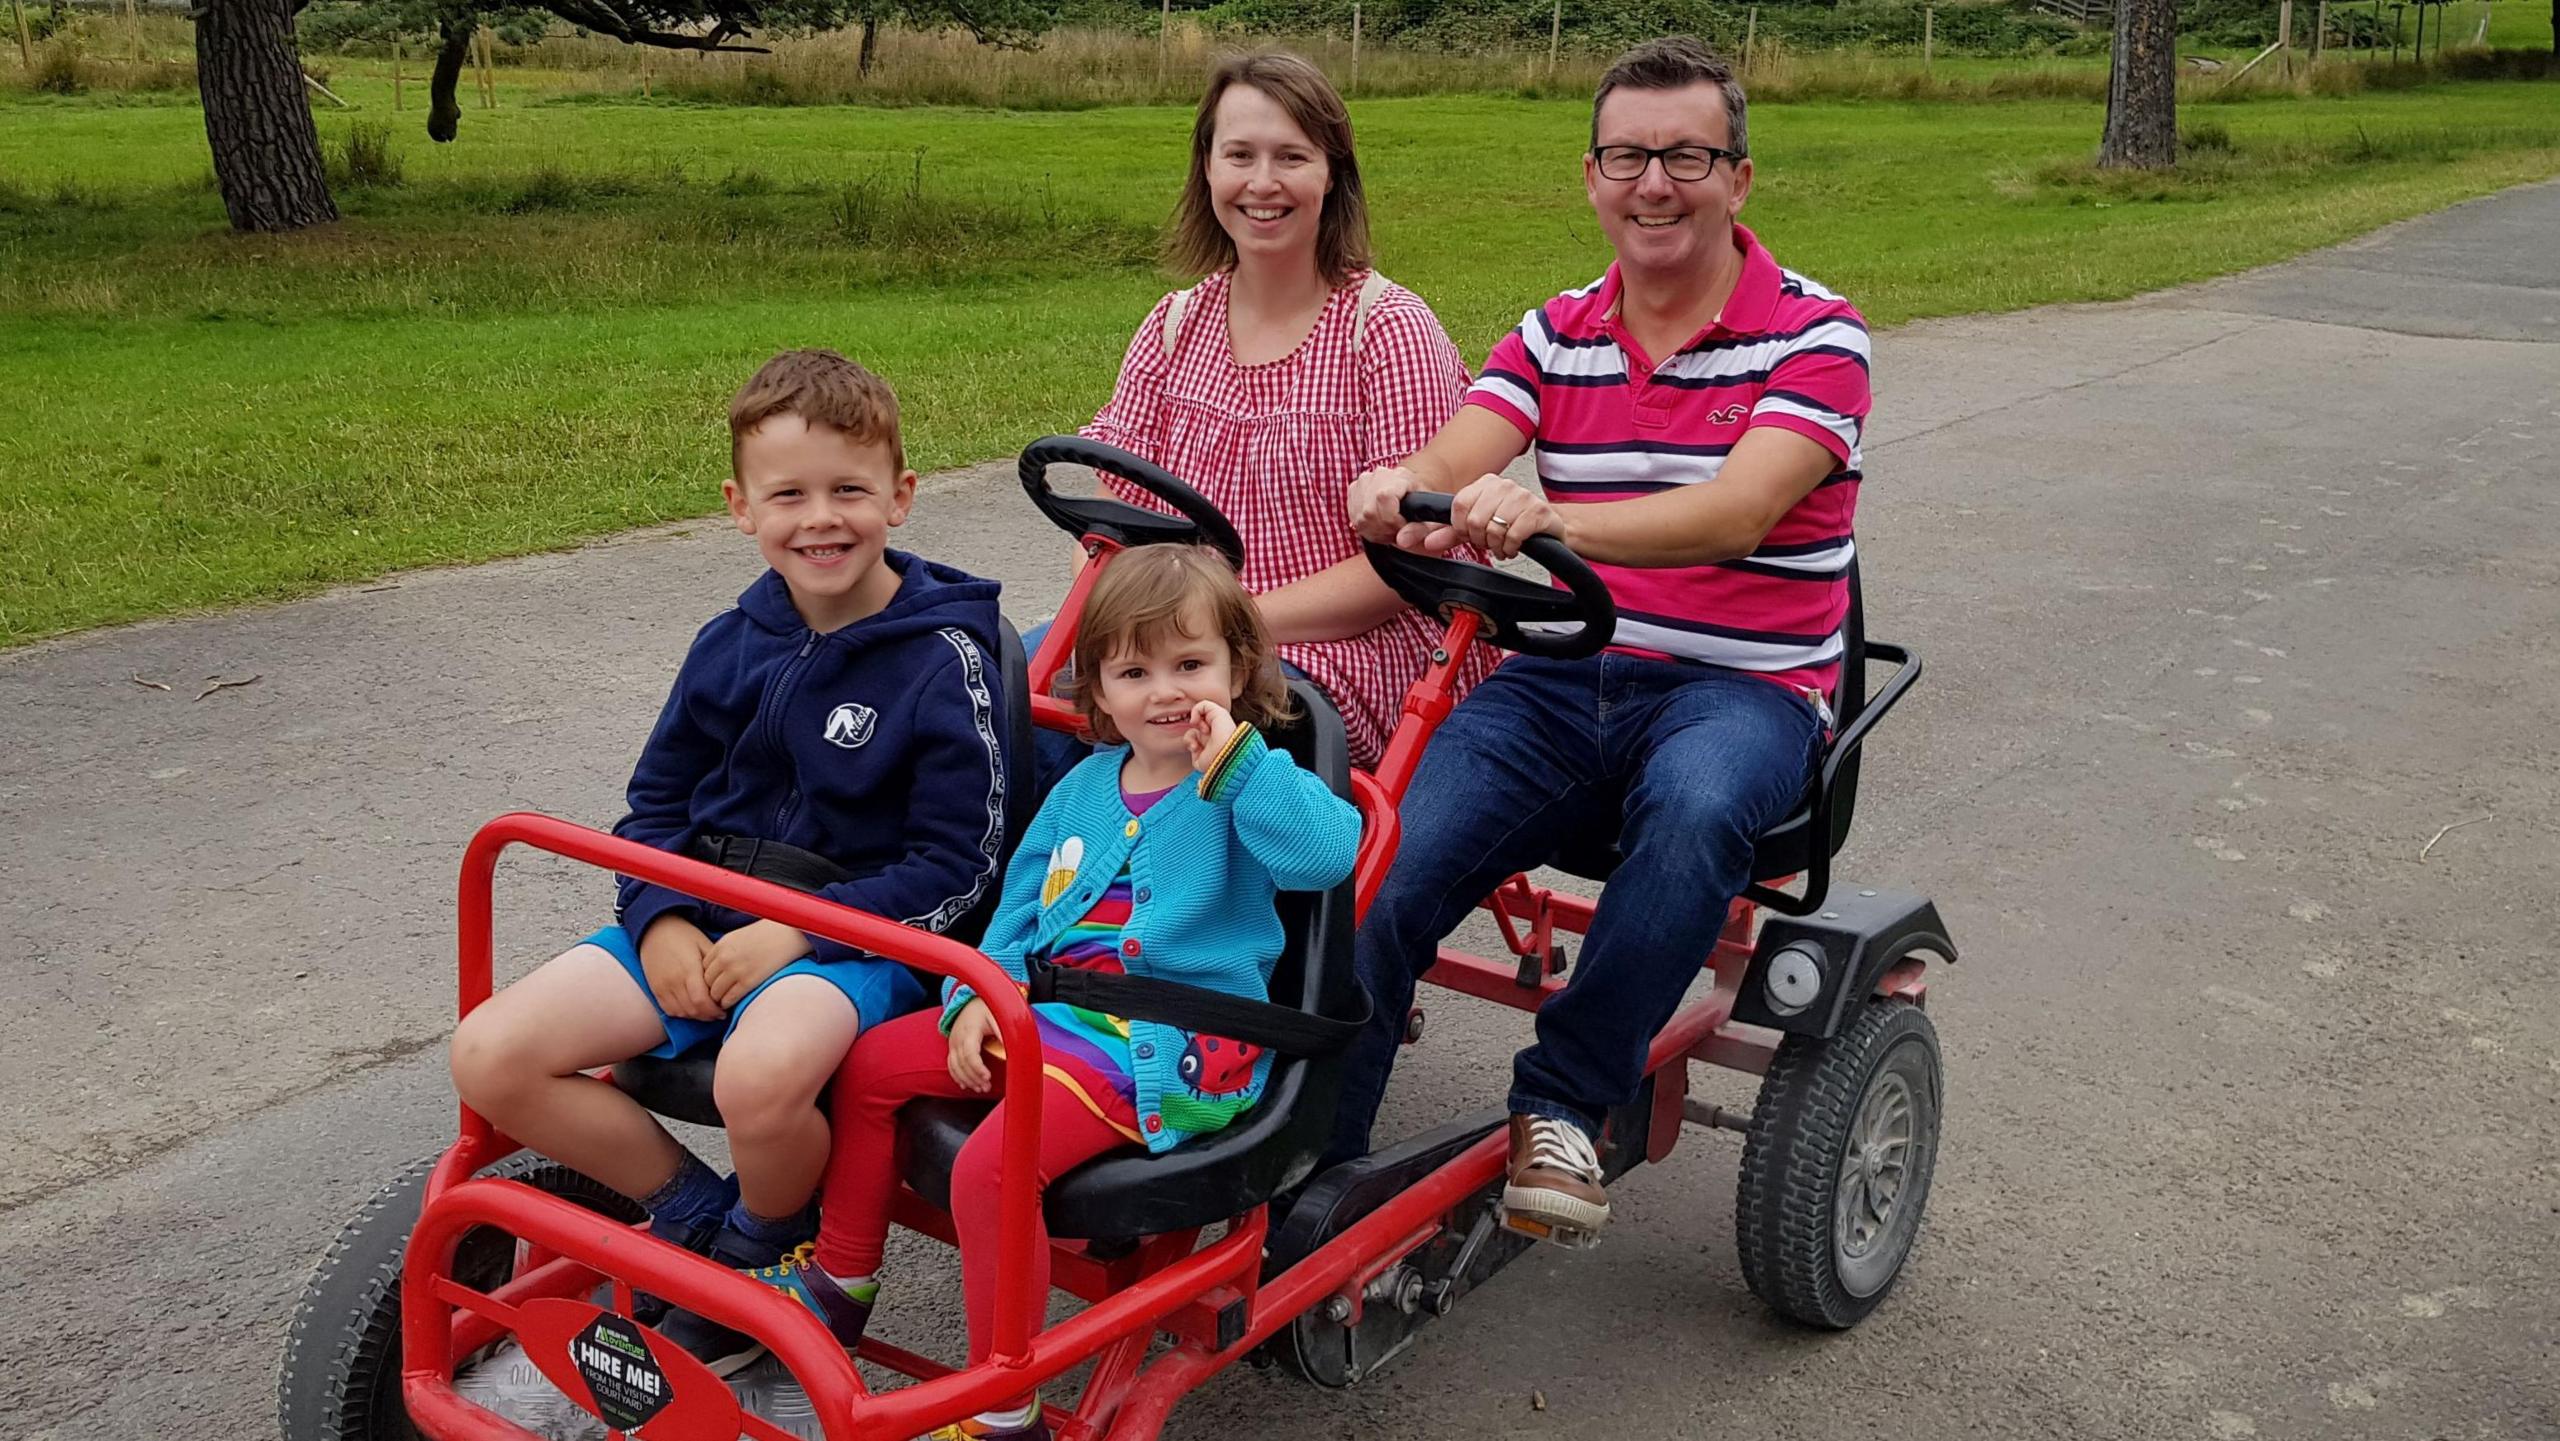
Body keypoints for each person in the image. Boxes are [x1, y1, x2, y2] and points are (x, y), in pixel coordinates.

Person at [1333, 36, 1873, 1244]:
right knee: (1378, 863)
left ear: (1738, 177)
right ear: (1591, 177)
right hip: (1566, 677)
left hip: (1744, 690)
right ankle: (1313, 1162)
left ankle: (1567, 1099)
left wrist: (1556, 516)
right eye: (1628, 155)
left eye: (1686, 155)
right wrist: (1402, 484)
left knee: (1691, 811)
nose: (1654, 184)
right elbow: (1465, 442)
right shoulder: (1552, 330)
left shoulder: (1817, 335)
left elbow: (1738, 510)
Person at [446, 349, 1010, 1372]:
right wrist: (657, 917)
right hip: (699, 909)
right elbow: (655, 805)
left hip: (856, 938)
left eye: (849, 489)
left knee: (759, 1075)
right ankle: (697, 1214)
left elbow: (957, 865)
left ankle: (771, 1241)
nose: (820, 519)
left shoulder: (946, 660)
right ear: (740, 508)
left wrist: (799, 928)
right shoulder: (727, 641)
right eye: (787, 494)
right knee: (491, 1054)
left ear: (902, 495)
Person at [746, 544, 1361, 1441]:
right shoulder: (1080, 789)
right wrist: (972, 1003)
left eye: (1190, 666)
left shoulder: (1245, 783)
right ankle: (840, 1281)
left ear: (1238, 670)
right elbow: (1014, 919)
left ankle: (1005, 1406)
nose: (1164, 692)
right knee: (870, 1063)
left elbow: (1325, 855)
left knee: (995, 1168)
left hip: (1168, 1047)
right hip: (1051, 1021)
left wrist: (1240, 764)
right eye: (1134, 670)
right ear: (1100, 690)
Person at [1038, 49, 1487, 782]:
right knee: (1016, 682)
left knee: (1198, 716)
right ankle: (1022, 892)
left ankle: (1186, 895)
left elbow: (1410, 568)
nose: (1262, 182)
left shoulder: (1386, 329)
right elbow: (1105, 503)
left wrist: (1215, 624)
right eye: (1239, 154)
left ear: (1332, 173)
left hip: (1349, 647)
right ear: (1207, 168)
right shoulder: (1177, 323)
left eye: (1291, 157)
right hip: (1176, 636)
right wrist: (1124, 608)